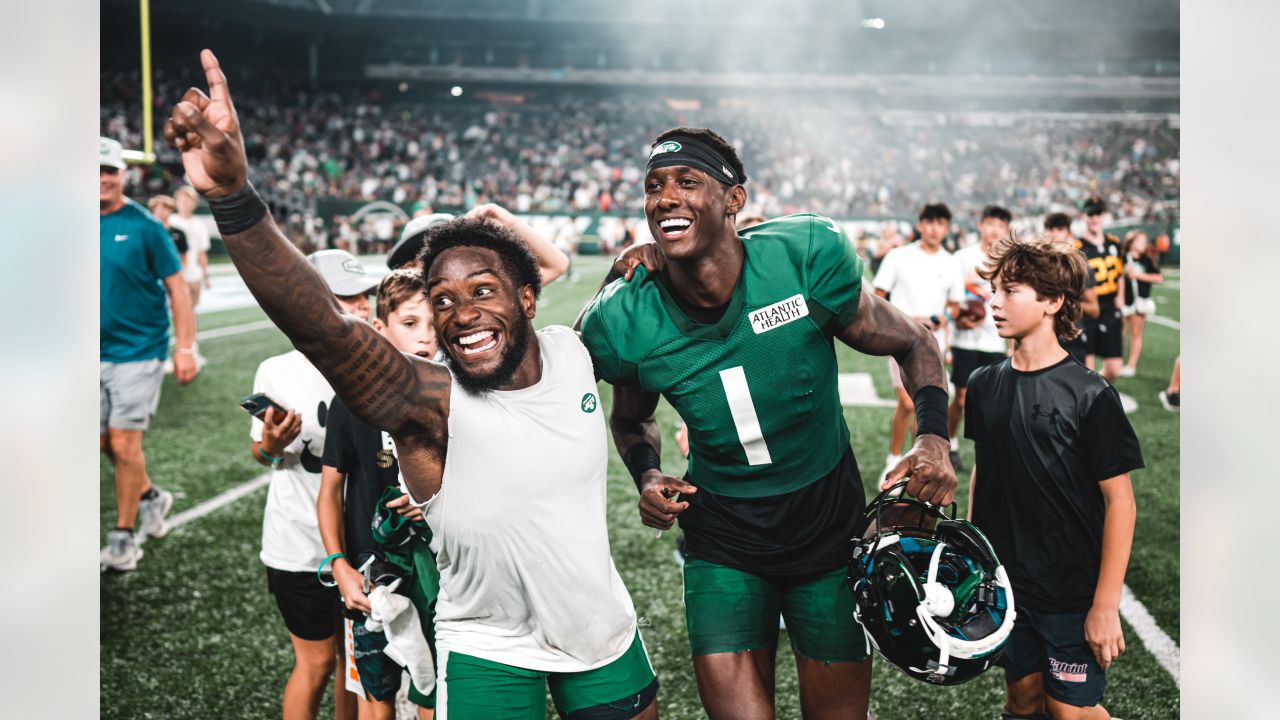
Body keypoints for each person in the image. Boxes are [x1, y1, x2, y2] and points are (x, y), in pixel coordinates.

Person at [165, 50, 658, 720]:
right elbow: (325, 331)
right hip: (489, 647)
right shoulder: (428, 400)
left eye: (481, 291)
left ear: (528, 298)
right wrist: (233, 198)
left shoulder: (574, 349)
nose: (461, 314)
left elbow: (648, 286)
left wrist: (648, 253)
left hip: (602, 633)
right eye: (443, 300)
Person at [578, 127, 956, 720]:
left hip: (828, 525)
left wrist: (933, 437)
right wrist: (647, 474)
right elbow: (629, 418)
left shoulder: (800, 259)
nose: (664, 198)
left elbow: (915, 340)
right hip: (723, 533)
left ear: (734, 200)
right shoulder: (628, 316)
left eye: (686, 182)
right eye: (654, 187)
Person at [966, 235, 1141, 720]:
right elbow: (985, 468)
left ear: (1053, 301)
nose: (994, 302)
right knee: (1021, 699)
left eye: (1010, 291)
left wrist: (1104, 606)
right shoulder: (983, 384)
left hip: (1069, 587)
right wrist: (979, 557)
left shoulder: (1089, 394)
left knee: (1068, 712)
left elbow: (1121, 502)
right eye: (994, 291)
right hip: (1009, 582)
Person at [251, 248, 375, 720]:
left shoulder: (379, 362)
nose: (361, 306)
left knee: (355, 666)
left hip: (363, 546)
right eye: (346, 297)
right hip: (297, 545)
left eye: (364, 295)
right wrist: (271, 443)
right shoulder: (278, 371)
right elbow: (262, 456)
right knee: (317, 663)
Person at [319, 269, 437, 720]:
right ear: (379, 328)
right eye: (410, 324)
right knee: (376, 697)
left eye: (432, 323)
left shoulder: (455, 398)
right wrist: (339, 565)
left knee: (434, 692)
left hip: (439, 570)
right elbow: (330, 491)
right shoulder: (349, 403)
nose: (425, 338)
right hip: (370, 576)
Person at [100, 137, 198, 572]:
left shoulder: (145, 227)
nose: (102, 180)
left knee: (123, 442)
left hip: (137, 351)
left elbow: (177, 291)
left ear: (123, 174)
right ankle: (150, 498)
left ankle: (123, 539)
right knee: (106, 443)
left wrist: (184, 347)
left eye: (108, 171)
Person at [872, 202, 961, 480]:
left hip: (935, 344)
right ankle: (893, 456)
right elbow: (877, 296)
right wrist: (906, 319)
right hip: (900, 342)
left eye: (941, 224)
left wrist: (942, 317)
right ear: (920, 225)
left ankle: (915, 459)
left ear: (947, 228)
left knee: (925, 407)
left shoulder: (951, 262)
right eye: (930, 222)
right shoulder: (898, 256)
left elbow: (955, 305)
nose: (935, 229)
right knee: (908, 404)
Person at [946, 204, 1012, 472]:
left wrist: (1011, 343)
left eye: (1000, 225)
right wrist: (959, 318)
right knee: (961, 397)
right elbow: (951, 296)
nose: (994, 229)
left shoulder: (1011, 259)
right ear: (981, 225)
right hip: (965, 338)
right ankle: (950, 443)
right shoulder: (963, 257)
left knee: (991, 400)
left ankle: (987, 450)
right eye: (990, 223)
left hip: (995, 339)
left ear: (1006, 230)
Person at [1076, 196, 1126, 382]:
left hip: (1110, 308)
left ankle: (1096, 392)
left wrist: (1120, 297)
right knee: (1085, 370)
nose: (1094, 218)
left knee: (1114, 369)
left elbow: (1120, 273)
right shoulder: (1077, 247)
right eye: (1091, 214)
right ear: (1084, 216)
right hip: (1088, 309)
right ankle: (1087, 402)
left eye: (1098, 213)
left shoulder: (1114, 242)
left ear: (1103, 216)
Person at [1044, 212, 1099, 363]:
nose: (1053, 234)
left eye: (1059, 229)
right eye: (1049, 229)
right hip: (1042, 337)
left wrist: (1066, 301)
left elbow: (1094, 309)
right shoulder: (1037, 265)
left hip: (1071, 337)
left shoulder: (1081, 267)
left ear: (1069, 233)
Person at [1119, 230, 1164, 377]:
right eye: (1140, 241)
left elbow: (1159, 278)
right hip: (1124, 301)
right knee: (1119, 333)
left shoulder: (1148, 259)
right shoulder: (1122, 258)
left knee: (1136, 334)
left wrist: (1138, 275)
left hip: (1140, 302)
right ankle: (1117, 361)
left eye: (1144, 242)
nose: (1143, 244)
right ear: (1131, 242)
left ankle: (1131, 365)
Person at [168, 186, 211, 308]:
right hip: (173, 276)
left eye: (188, 201)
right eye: (182, 200)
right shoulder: (169, 221)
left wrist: (206, 276)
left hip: (193, 276)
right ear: (176, 202)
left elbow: (202, 253)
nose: (185, 204)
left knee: (190, 312)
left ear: (194, 203)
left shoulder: (199, 224)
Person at [147, 194, 189, 270]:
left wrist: (181, 272)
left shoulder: (179, 233)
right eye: (157, 209)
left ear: (171, 210)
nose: (160, 212)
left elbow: (183, 256)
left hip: (174, 272)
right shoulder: (146, 233)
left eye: (164, 208)